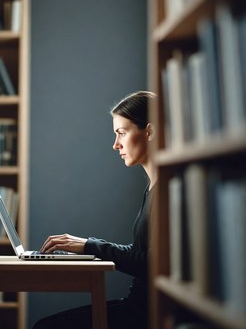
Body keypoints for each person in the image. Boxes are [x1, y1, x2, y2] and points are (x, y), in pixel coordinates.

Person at [33, 90, 157, 329]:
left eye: (121, 133)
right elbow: (140, 252)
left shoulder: (167, 190)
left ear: (149, 131)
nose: (115, 145)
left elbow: (151, 263)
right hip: (137, 305)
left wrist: (90, 246)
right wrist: (85, 244)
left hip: (145, 313)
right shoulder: (153, 188)